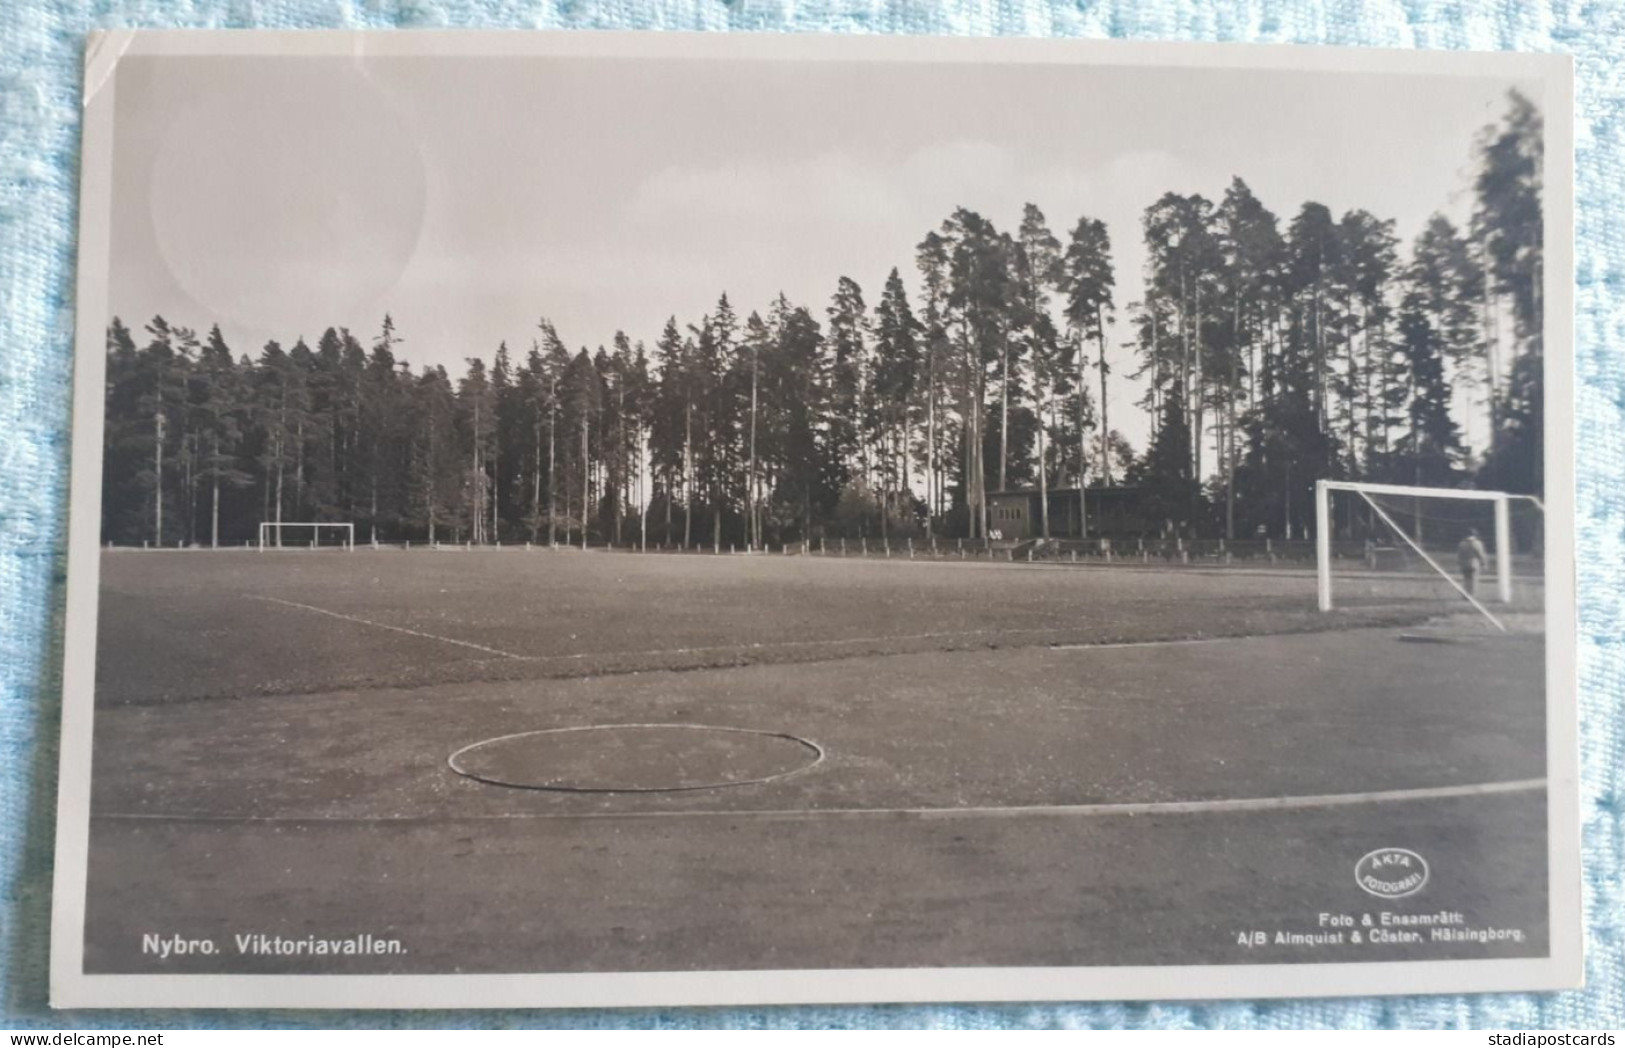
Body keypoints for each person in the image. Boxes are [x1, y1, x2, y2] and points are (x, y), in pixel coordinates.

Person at [1457, 528, 1488, 596]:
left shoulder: (1462, 543)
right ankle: (1471, 594)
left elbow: (1459, 555)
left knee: (1466, 580)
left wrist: (1459, 564)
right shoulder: (1477, 543)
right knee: (1473, 580)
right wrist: (1484, 563)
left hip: (1464, 564)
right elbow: (1480, 554)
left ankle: (1465, 593)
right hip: (1474, 563)